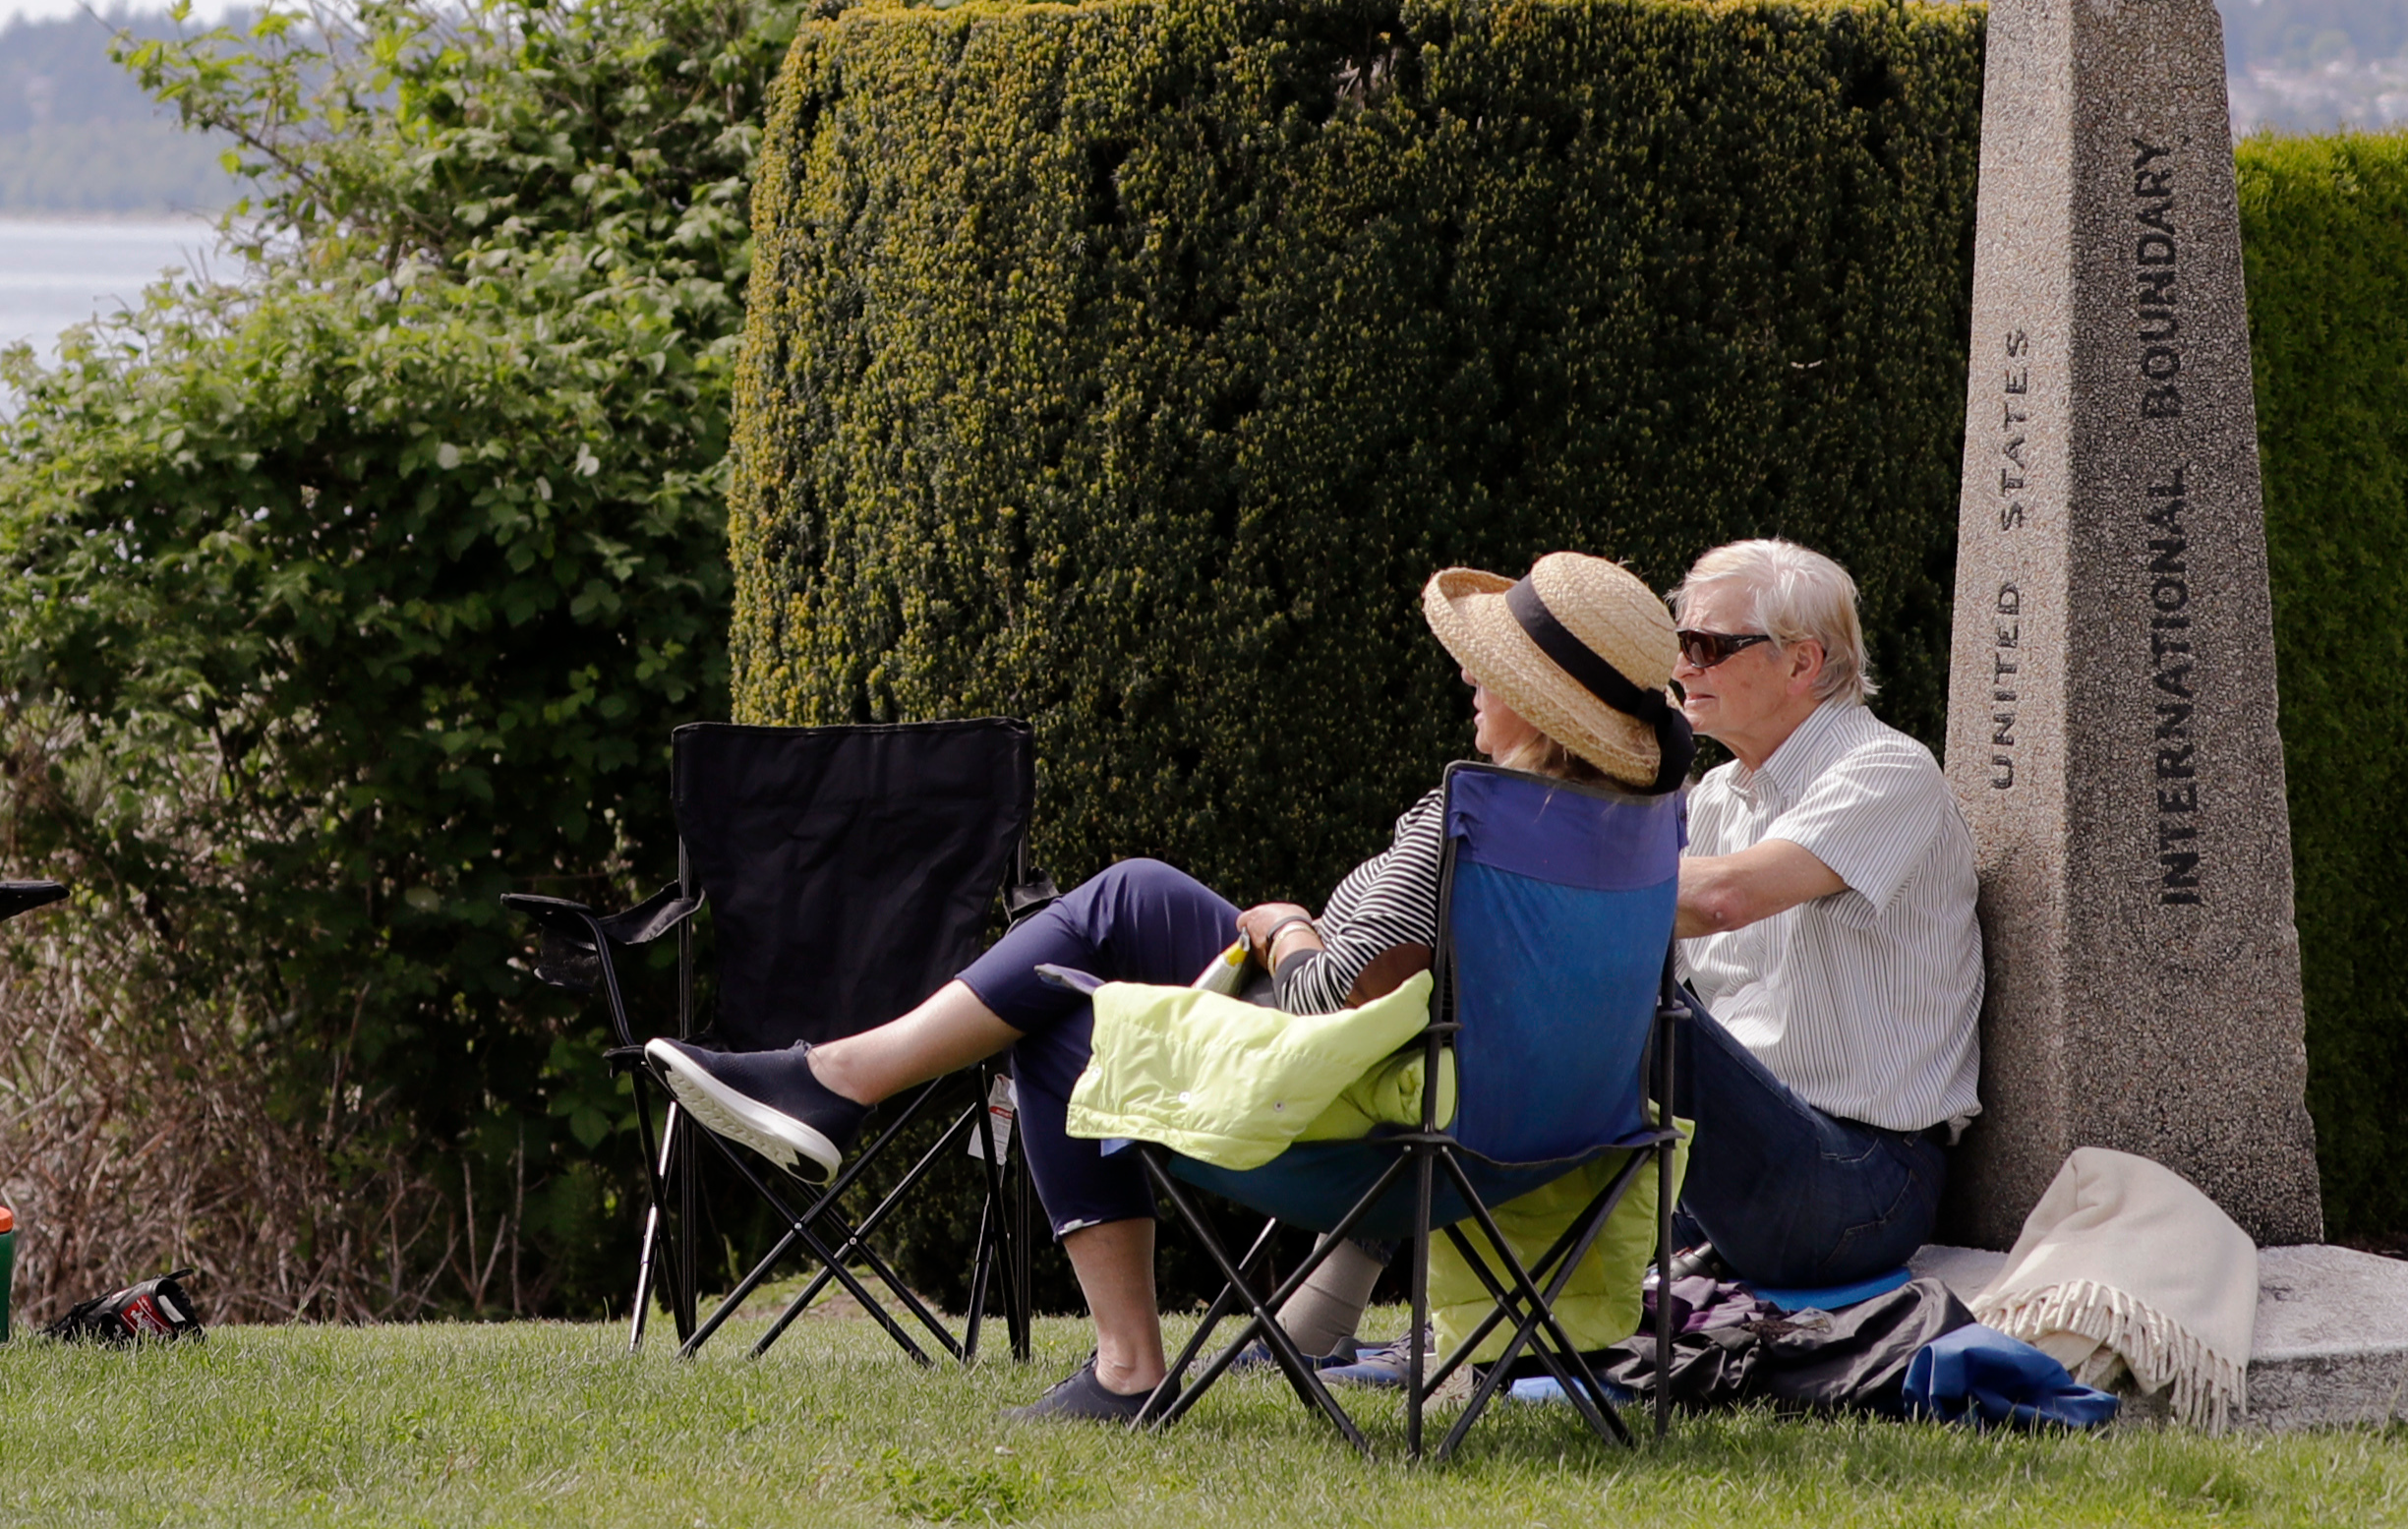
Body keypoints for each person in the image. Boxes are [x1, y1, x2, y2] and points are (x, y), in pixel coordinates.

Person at [641, 552, 1693, 1424]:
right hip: (1538, 1134)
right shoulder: (1622, 837)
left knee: (1059, 1021)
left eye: (1487, 670)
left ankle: (1123, 1366)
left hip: (1364, 1136)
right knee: (1129, 898)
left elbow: (1330, 998)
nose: (1468, 680)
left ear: (1544, 714)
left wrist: (1285, 926)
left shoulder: (1468, 825)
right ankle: (838, 1078)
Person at [1661, 538, 1982, 1290]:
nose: (1682, 669)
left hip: (1862, 1178)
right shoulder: (1714, 798)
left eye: (1707, 645)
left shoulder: (1886, 770)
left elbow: (1722, 899)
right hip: (1735, 1168)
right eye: (1679, 645)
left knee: (1617, 1001)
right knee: (1524, 1012)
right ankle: (1350, 1307)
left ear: (1802, 662)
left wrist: (1539, 888)